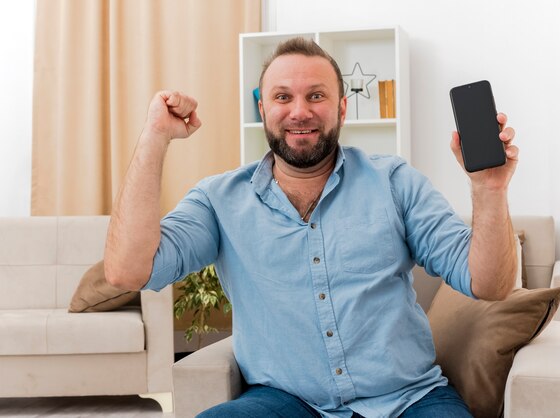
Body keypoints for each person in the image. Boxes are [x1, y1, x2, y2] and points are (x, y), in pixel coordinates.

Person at [104, 37, 518, 418]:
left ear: (341, 108)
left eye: (316, 96)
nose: (299, 111)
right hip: (284, 401)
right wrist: (155, 136)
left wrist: (490, 188)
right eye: (282, 97)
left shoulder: (395, 182)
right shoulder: (219, 199)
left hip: (409, 398)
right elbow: (127, 271)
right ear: (263, 109)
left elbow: (490, 285)